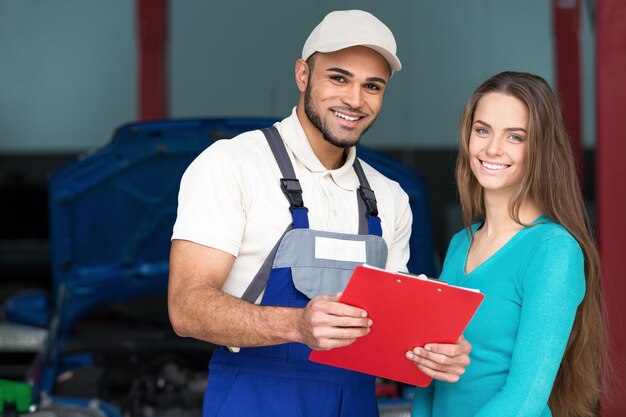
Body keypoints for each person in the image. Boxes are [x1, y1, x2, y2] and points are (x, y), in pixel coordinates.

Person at [168, 9, 471, 417]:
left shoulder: (390, 196)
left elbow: (389, 333)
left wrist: (435, 350)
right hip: (255, 399)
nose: (355, 99)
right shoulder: (233, 164)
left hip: (356, 402)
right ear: (302, 75)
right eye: (338, 77)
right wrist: (296, 326)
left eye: (373, 86)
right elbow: (186, 308)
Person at [409, 71, 607, 417]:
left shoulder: (553, 251)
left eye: (515, 137)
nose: (492, 148)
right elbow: (430, 376)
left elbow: (525, 398)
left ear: (540, 149)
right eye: (482, 130)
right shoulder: (460, 244)